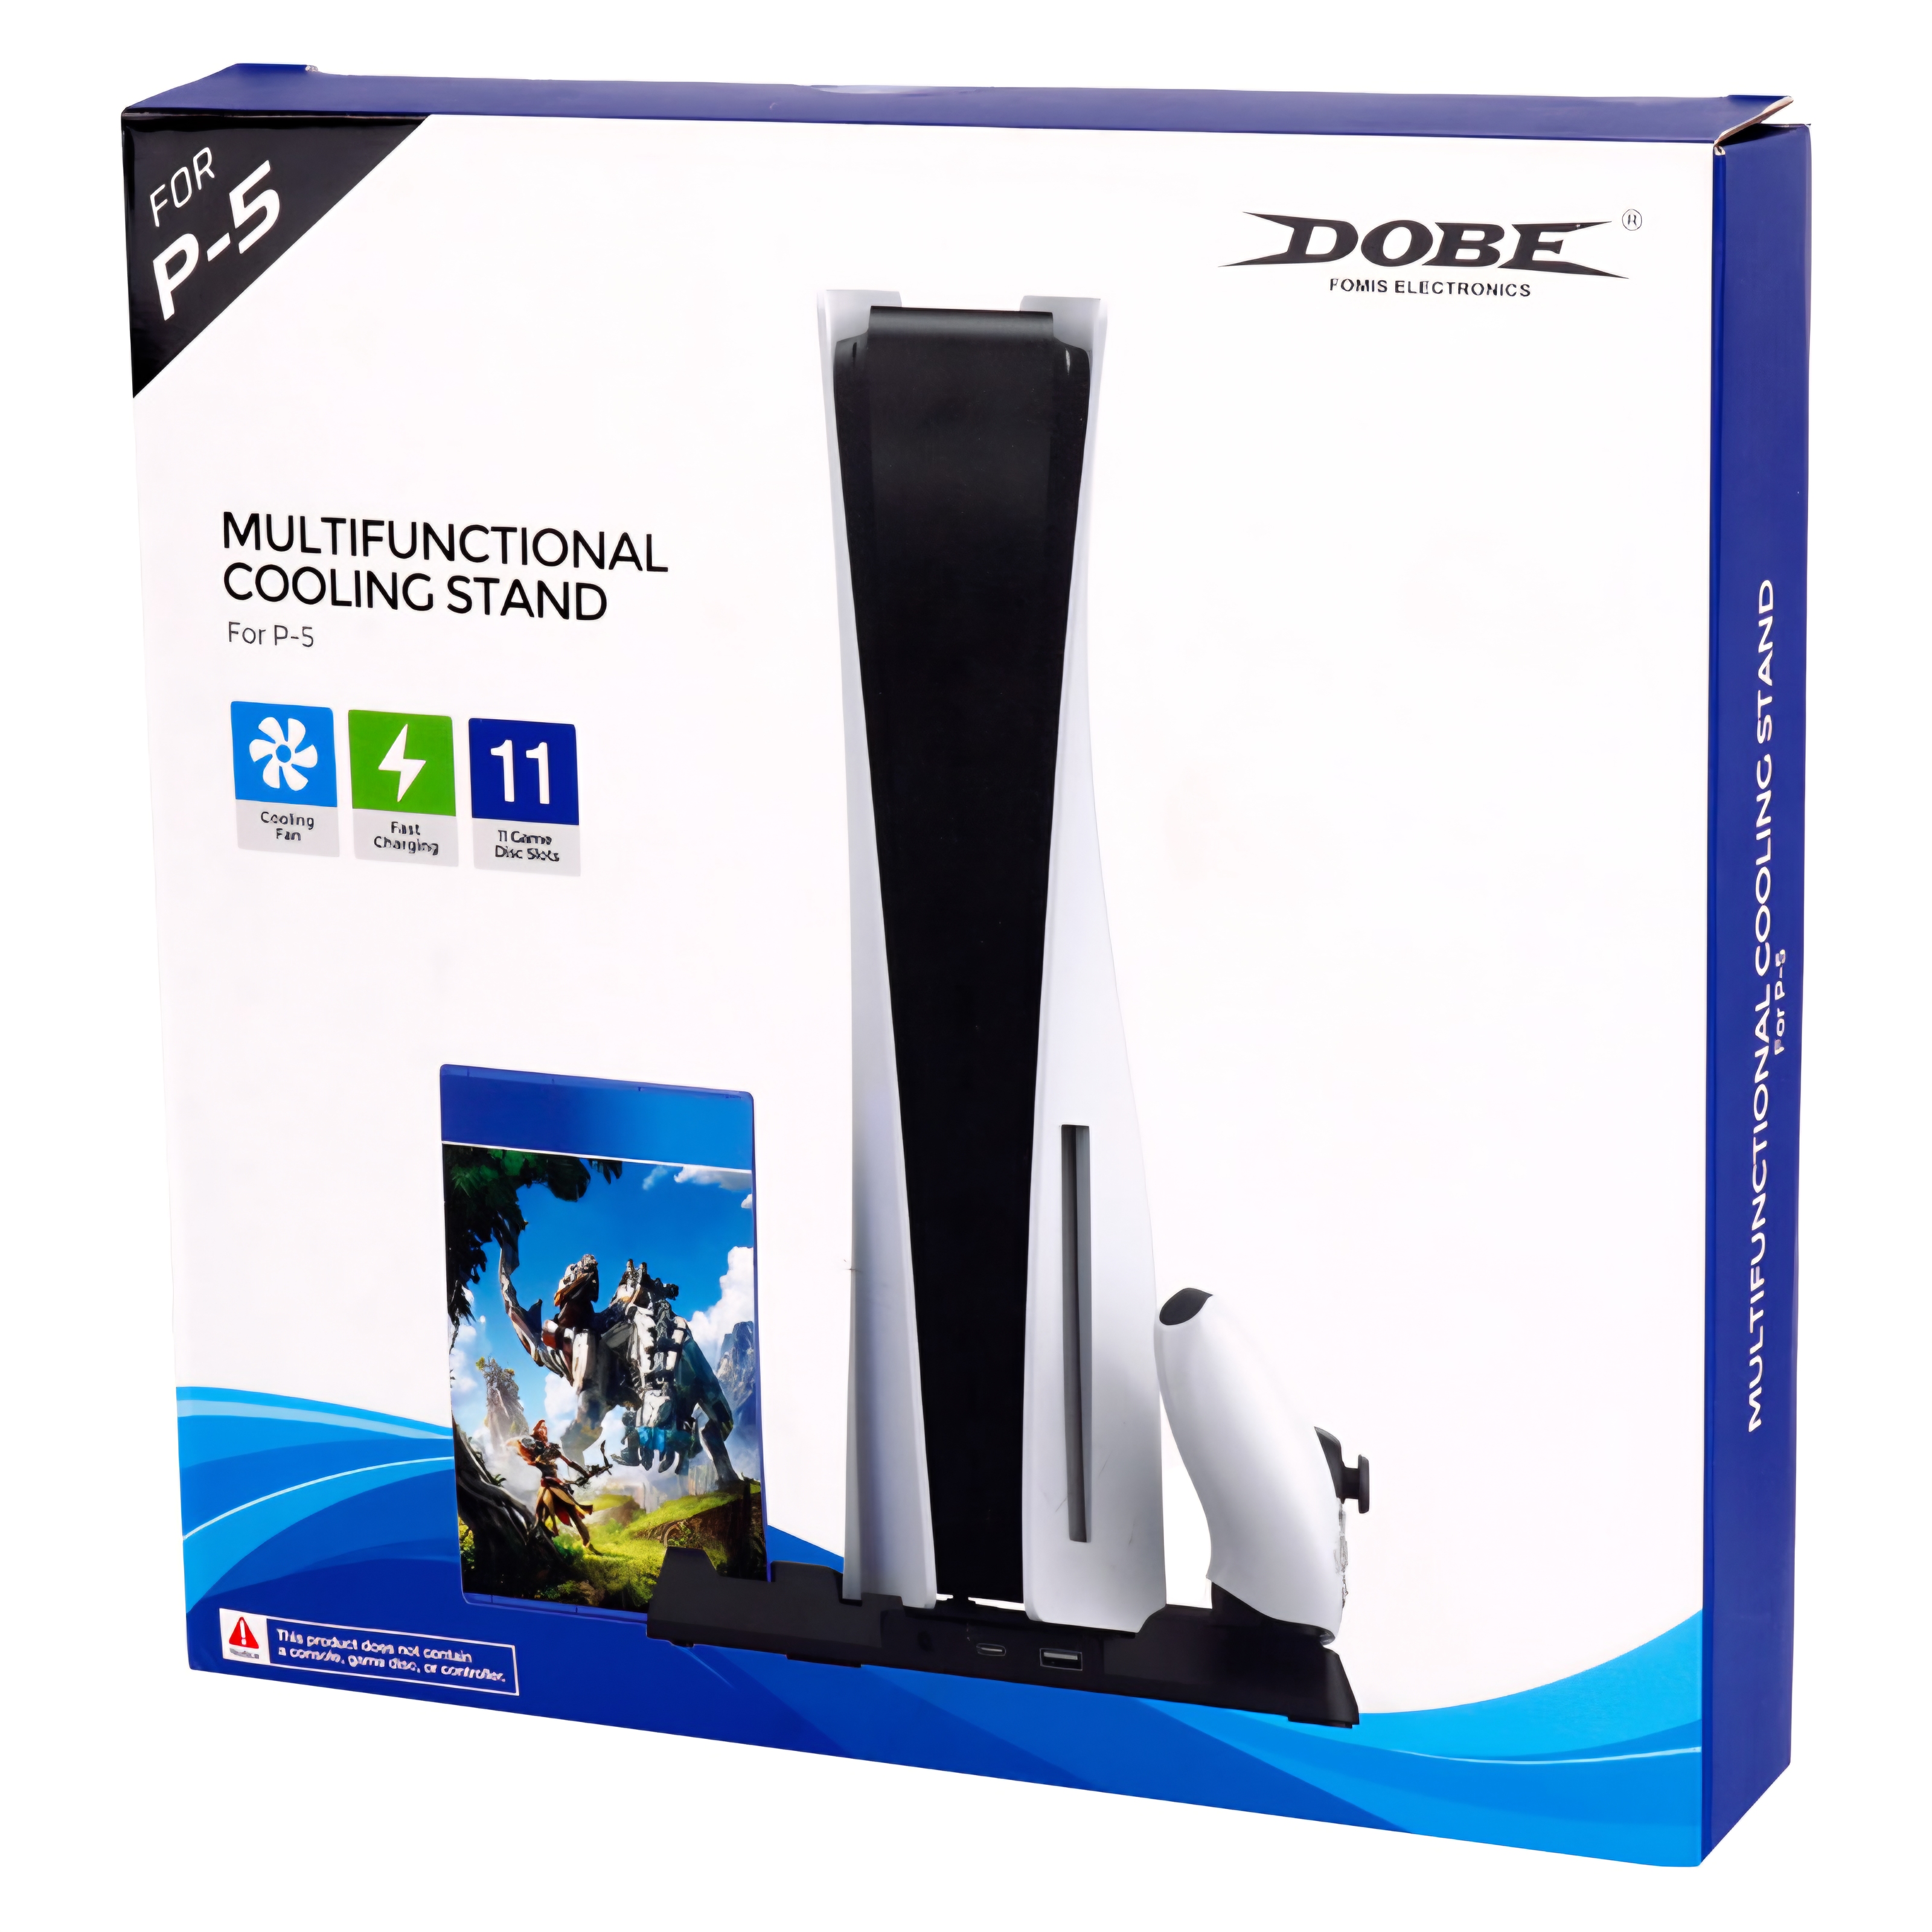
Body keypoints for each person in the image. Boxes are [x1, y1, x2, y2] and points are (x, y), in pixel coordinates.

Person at [514, 1418, 598, 1549]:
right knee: (542, 1518)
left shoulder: (549, 1451)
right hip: (547, 1486)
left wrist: (585, 1473)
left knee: (571, 1516)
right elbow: (570, 1463)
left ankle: (587, 1545)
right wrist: (584, 1473)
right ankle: (532, 1543)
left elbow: (570, 1463)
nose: (536, 1445)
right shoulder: (535, 1454)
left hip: (555, 1485)